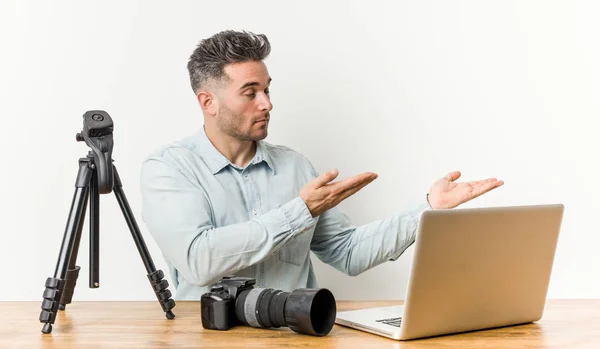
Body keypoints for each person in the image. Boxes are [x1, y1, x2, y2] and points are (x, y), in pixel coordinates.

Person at [140, 30, 504, 300]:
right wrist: (300, 212)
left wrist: (426, 208)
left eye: (267, 89)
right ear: (208, 102)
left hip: (296, 341)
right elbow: (198, 261)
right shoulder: (169, 169)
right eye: (250, 93)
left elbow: (348, 253)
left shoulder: (295, 166)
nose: (267, 103)